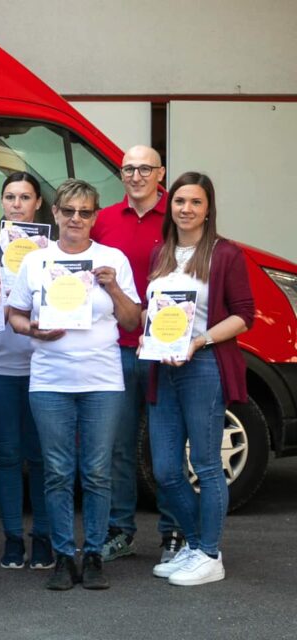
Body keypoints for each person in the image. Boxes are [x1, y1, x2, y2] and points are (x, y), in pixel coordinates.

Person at [7, 179, 141, 591]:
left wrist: (113, 287)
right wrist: (33, 330)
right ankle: (65, 554)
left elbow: (133, 322)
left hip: (102, 379)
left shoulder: (112, 259)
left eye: (85, 212)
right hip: (50, 380)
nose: (76, 219)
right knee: (58, 471)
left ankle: (95, 553)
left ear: (95, 217)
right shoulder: (36, 262)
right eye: (69, 211)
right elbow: (13, 314)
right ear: (55, 214)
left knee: (98, 472)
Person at [145, 172, 253, 586]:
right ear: (169, 207)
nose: (186, 209)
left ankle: (210, 554)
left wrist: (199, 341)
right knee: (167, 469)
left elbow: (244, 314)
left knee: (206, 465)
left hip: (204, 365)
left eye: (195, 202)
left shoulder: (226, 254)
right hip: (163, 367)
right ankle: (194, 544)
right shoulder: (162, 253)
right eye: (179, 202)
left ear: (208, 210)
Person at [91, 145, 182, 563]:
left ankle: (172, 532)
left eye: (146, 168)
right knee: (120, 447)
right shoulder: (104, 220)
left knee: (166, 445)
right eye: (129, 168)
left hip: (167, 349)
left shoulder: (179, 217)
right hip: (119, 349)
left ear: (160, 173)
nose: (137, 176)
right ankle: (121, 530)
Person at [0, 173, 53, 570]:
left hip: (44, 367)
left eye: (24, 197)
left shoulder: (53, 253)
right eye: (9, 197)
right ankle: (13, 537)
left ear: (38, 204)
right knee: (8, 456)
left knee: (43, 456)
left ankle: (43, 536)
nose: (16, 204)